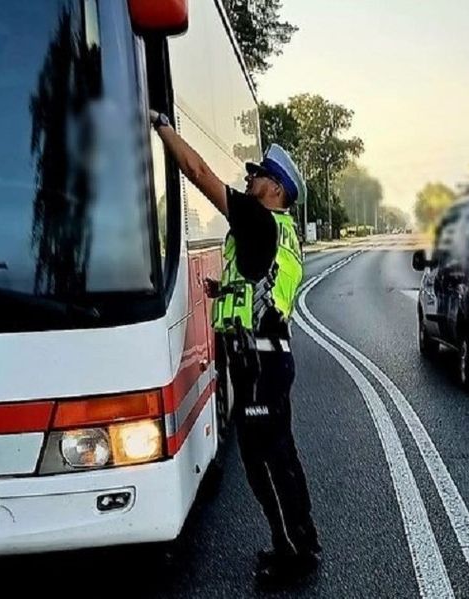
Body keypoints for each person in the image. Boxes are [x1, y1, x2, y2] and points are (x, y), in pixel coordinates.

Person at [148, 109, 320, 586]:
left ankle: (296, 556)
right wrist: (225, 293)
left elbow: (198, 174)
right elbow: (264, 284)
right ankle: (297, 541)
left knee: (267, 458)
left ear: (277, 190)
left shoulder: (259, 221)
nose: (251, 179)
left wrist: (161, 124)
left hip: (260, 361)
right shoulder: (273, 232)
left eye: (260, 175)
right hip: (262, 358)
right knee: (273, 456)